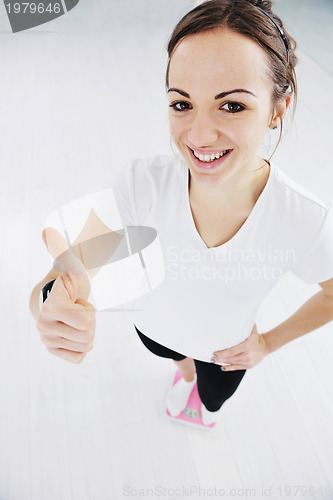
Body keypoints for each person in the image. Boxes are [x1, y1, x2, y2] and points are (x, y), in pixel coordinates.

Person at [30, 0, 333, 427]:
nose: (199, 135)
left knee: (211, 401)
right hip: (156, 331)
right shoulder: (143, 183)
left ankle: (198, 382)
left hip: (225, 353)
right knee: (177, 359)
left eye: (232, 105)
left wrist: (266, 343)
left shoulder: (304, 217)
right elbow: (75, 263)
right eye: (182, 104)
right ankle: (184, 370)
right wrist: (51, 302)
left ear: (277, 109)